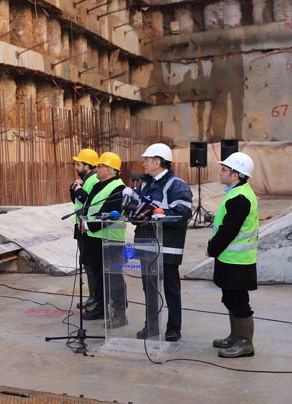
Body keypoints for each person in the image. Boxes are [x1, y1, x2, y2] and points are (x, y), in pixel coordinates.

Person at [134, 143, 193, 342]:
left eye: (147, 160)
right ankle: (151, 325)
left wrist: (159, 213)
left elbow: (183, 211)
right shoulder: (145, 184)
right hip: (146, 244)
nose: (143, 163)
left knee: (171, 289)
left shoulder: (176, 185)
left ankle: (173, 328)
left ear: (157, 162)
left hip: (166, 247)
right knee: (148, 288)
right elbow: (140, 209)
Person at [207, 152, 258, 358]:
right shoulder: (236, 192)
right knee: (230, 298)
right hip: (230, 258)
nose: (221, 172)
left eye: (224, 170)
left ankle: (245, 343)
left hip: (238, 260)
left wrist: (212, 249)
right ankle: (235, 336)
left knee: (238, 301)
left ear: (236, 174)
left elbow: (229, 230)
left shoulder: (240, 198)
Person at [80, 152, 127, 327]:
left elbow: (110, 212)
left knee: (113, 278)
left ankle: (120, 313)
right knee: (99, 277)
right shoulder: (98, 185)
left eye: (99, 166)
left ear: (109, 169)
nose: (96, 169)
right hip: (94, 238)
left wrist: (88, 225)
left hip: (110, 239)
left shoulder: (119, 188)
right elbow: (89, 206)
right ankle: (101, 307)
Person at [70, 148, 100, 309]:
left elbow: (90, 202)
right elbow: (77, 202)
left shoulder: (94, 180)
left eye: (78, 164)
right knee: (87, 264)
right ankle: (93, 296)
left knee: (91, 265)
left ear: (87, 166)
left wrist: (79, 191)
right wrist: (74, 189)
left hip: (89, 227)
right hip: (81, 225)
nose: (76, 167)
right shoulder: (87, 179)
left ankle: (95, 297)